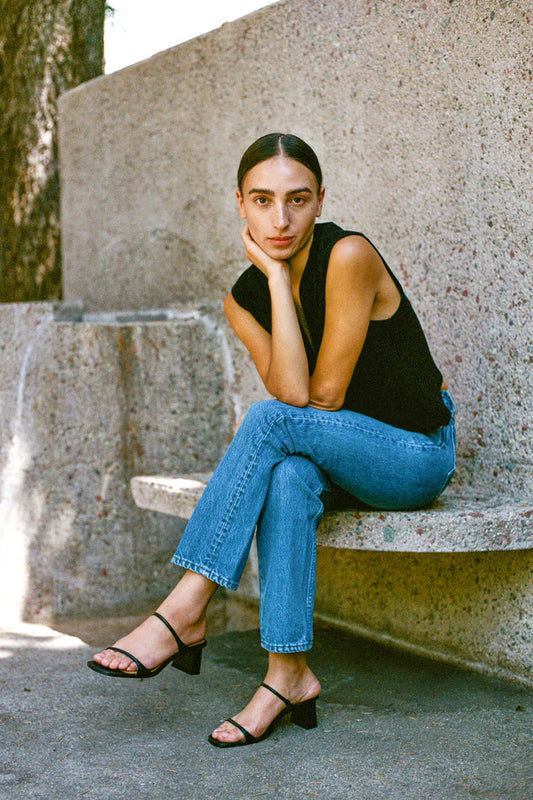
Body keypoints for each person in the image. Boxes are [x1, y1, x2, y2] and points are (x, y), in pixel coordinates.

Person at [88, 132, 456, 747]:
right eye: (262, 201)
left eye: (297, 200)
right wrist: (276, 283)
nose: (280, 220)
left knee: (268, 421)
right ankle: (288, 675)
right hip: (332, 460)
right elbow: (292, 391)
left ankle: (185, 607)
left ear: (320, 201)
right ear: (240, 203)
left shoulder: (350, 256)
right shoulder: (244, 298)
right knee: (285, 474)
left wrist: (281, 279)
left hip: (412, 454)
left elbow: (324, 398)